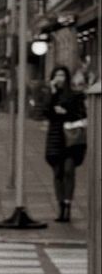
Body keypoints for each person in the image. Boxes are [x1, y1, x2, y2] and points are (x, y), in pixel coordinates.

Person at [43, 65, 87, 223]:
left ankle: (68, 205)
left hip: (70, 137)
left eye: (62, 75)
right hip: (55, 137)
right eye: (57, 75)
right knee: (57, 173)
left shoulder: (74, 95)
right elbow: (45, 111)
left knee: (69, 171)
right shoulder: (51, 94)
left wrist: (66, 113)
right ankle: (60, 205)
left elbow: (81, 114)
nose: (59, 78)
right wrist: (52, 92)